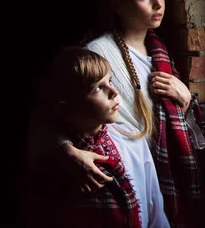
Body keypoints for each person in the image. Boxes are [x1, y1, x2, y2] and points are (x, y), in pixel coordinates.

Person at [28, 0, 205, 228]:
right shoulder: (96, 53)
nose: (158, 4)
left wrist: (184, 101)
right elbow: (49, 113)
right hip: (116, 167)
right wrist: (66, 151)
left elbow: (174, 125)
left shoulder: (160, 53)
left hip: (152, 170)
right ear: (116, 3)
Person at [26, 46, 170, 228]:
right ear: (65, 107)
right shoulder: (52, 160)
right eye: (97, 88)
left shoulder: (130, 138)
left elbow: (154, 208)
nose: (114, 92)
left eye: (110, 81)